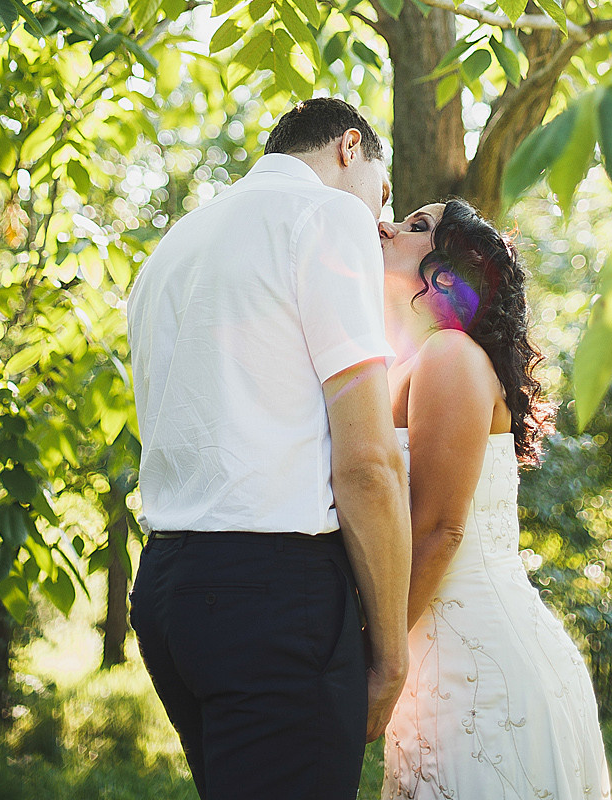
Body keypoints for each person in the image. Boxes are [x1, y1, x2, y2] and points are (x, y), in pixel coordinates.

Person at [127, 98, 411, 800]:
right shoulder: (325, 216)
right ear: (350, 148)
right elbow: (367, 463)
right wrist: (393, 656)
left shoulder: (176, 244)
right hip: (273, 597)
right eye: (385, 194)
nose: (381, 221)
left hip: (167, 589)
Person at [379, 198, 611, 800]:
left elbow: (439, 530)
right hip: (434, 658)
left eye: (418, 226)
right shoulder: (411, 361)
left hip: (480, 669)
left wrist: (375, 665)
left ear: (452, 274)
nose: (387, 227)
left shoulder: (451, 356)